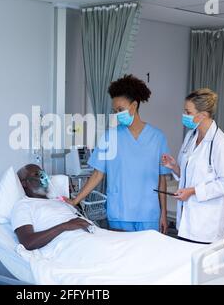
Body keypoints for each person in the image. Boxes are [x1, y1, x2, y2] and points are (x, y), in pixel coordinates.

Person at [67, 74, 172, 233]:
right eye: (114, 110)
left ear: (134, 105)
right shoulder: (110, 136)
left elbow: (161, 178)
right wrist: (75, 201)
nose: (117, 114)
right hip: (120, 212)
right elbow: (97, 175)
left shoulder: (158, 138)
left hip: (148, 214)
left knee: (147, 257)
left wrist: (163, 213)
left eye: (120, 110)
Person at [161, 88, 224, 244]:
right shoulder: (191, 136)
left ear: (202, 115)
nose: (184, 115)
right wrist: (174, 167)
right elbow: (190, 175)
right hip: (186, 220)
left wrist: (193, 191)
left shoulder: (221, 144)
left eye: (188, 112)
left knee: (203, 267)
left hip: (206, 224)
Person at [12, 164, 92, 250]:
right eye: (36, 174)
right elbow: (27, 242)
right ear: (24, 184)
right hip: (69, 245)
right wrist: (64, 226)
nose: (43, 177)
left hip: (90, 236)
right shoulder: (23, 205)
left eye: (43, 173)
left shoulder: (58, 201)